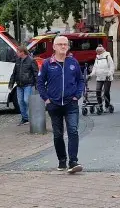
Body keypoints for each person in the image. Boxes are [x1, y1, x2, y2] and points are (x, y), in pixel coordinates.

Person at [37, 36, 85, 174]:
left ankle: (73, 161)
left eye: (65, 44)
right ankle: (62, 160)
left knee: (73, 131)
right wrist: (46, 99)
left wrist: (77, 95)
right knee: (58, 134)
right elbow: (40, 83)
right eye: (60, 44)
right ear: (54, 47)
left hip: (71, 103)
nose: (63, 46)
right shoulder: (47, 64)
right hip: (54, 104)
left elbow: (80, 80)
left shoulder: (73, 62)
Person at [8, 46, 39, 125]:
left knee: (26, 100)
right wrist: (11, 83)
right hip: (19, 85)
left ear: (22, 52)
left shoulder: (31, 60)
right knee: (20, 102)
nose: (16, 53)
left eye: (18, 51)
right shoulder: (18, 60)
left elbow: (36, 73)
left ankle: (31, 116)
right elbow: (14, 73)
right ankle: (24, 118)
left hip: (28, 84)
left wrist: (37, 85)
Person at [90, 44, 115, 109]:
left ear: (102, 51)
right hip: (99, 77)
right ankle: (100, 104)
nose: (98, 52)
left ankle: (107, 105)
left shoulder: (107, 56)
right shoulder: (97, 58)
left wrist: (109, 74)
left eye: (99, 51)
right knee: (98, 91)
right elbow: (95, 67)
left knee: (106, 91)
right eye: (97, 51)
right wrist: (91, 74)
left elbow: (112, 66)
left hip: (107, 77)